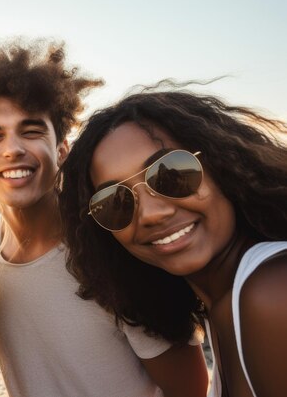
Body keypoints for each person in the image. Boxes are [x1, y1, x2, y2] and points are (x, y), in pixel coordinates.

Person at [0, 41, 209, 396]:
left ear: (62, 150)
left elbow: (193, 389)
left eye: (31, 131)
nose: (12, 149)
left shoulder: (110, 250)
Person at [58, 87, 287, 397]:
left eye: (172, 173)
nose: (151, 213)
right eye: (116, 203)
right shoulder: (226, 307)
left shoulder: (271, 293)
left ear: (223, 164)